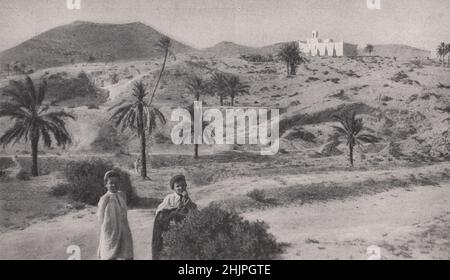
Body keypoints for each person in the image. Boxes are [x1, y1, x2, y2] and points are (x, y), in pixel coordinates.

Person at [152, 175, 197, 260]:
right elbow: (160, 212)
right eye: (178, 186)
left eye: (183, 185)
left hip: (181, 227)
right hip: (169, 226)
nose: (181, 188)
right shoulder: (169, 198)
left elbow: (193, 210)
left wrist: (189, 204)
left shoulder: (186, 198)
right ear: (173, 188)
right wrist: (172, 214)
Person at [97, 170, 134, 260]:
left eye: (116, 183)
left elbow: (124, 210)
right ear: (106, 184)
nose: (114, 185)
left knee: (126, 249)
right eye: (111, 183)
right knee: (110, 251)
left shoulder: (122, 195)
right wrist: (106, 226)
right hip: (110, 228)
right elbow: (100, 216)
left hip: (123, 227)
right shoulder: (105, 198)